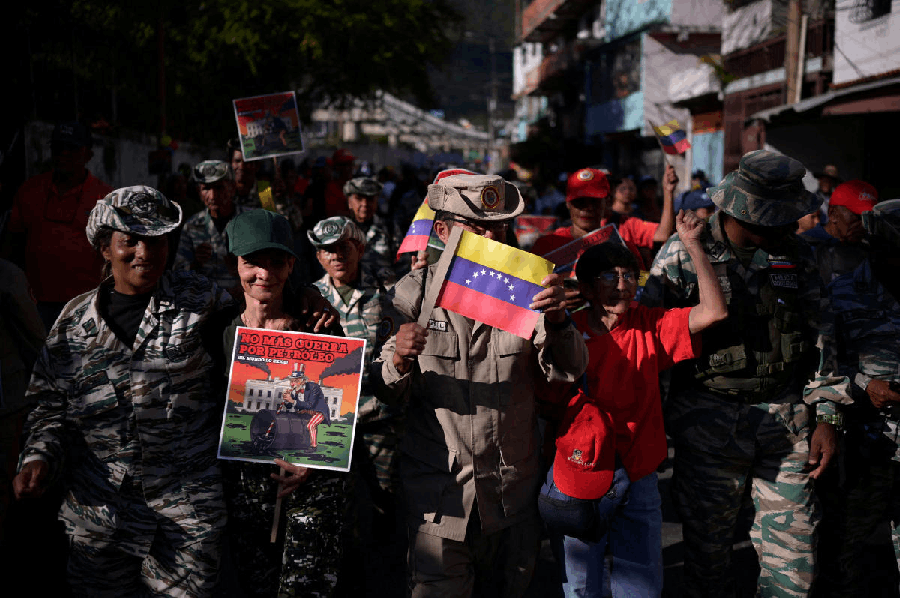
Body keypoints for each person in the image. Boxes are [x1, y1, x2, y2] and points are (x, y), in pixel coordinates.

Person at [641, 150, 852, 596]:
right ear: (749, 216)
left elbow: (822, 337)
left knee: (795, 563)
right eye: (782, 218)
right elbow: (651, 343)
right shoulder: (683, 255)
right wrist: (651, 429)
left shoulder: (798, 256)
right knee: (707, 560)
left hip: (787, 428)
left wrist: (828, 417)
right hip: (707, 426)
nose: (793, 226)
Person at [371, 173, 589, 597]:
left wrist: (560, 320)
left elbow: (569, 370)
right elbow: (382, 389)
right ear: (443, 230)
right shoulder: (411, 294)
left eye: (500, 227)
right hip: (440, 503)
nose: (492, 238)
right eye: (477, 228)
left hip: (512, 498)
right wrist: (398, 356)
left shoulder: (528, 289)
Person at [12, 186, 229, 595]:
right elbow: (49, 406)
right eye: (130, 240)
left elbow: (259, 325)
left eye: (156, 240)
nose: (144, 253)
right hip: (100, 518)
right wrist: (38, 457)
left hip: (186, 521)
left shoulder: (202, 300)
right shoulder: (74, 322)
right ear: (105, 248)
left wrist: (301, 295)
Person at [539, 210, 728, 597]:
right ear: (587, 289)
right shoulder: (563, 329)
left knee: (640, 588)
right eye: (610, 276)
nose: (622, 285)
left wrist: (692, 244)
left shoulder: (650, 324)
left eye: (629, 276)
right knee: (581, 586)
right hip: (579, 473)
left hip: (639, 474)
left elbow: (715, 312)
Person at [218, 208, 345, 597]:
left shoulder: (319, 326)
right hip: (246, 492)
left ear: (292, 265)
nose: (265, 274)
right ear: (234, 264)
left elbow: (336, 412)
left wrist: (312, 463)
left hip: (310, 489)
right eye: (252, 263)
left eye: (277, 263)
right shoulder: (220, 329)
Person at [814, 199, 900, 596]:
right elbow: (821, 369)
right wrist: (866, 384)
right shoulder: (842, 294)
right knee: (840, 554)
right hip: (866, 446)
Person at [2, 121, 113, 329]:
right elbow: (11, 246)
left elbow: (116, 256)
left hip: (87, 306)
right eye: (57, 147)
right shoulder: (29, 191)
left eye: (71, 148)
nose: (63, 153)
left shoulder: (105, 198)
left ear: (88, 154)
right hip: (33, 306)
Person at [174, 159, 244, 292]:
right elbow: (178, 273)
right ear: (199, 192)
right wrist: (196, 263)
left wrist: (244, 265)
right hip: (205, 303)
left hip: (243, 304)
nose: (212, 195)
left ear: (232, 188)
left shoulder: (249, 221)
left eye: (219, 187)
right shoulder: (192, 226)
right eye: (206, 188)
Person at [801, 179, 878, 286]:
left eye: (869, 219)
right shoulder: (804, 247)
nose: (864, 225)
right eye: (858, 217)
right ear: (833, 214)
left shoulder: (869, 253)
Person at [343, 177, 401, 276]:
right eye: (359, 199)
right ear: (349, 202)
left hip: (384, 289)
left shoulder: (389, 228)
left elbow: (402, 265)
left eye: (370, 199)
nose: (365, 204)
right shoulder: (341, 230)